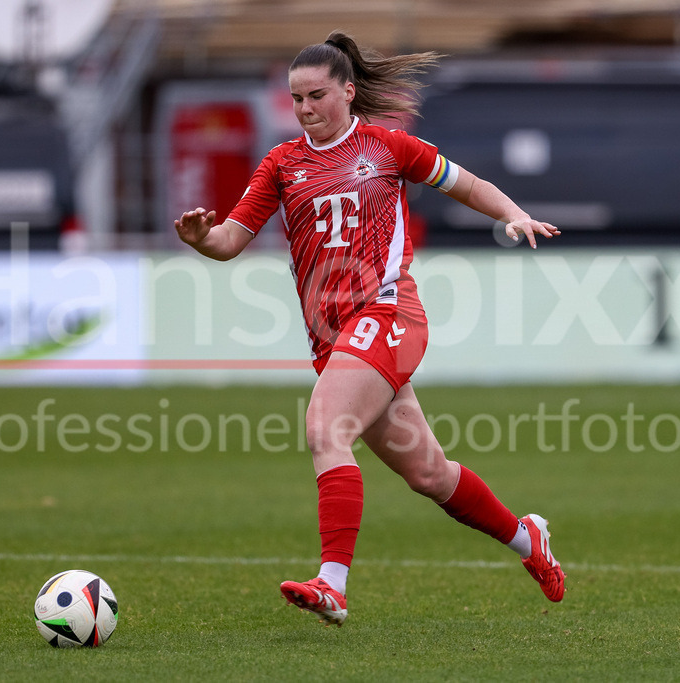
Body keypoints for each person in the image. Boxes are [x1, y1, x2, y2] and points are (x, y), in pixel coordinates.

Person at [174, 30, 564, 627]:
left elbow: (467, 184)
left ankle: (333, 584)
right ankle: (526, 538)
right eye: (297, 98)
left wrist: (514, 214)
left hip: (388, 315)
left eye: (317, 95)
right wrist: (202, 240)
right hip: (335, 341)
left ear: (348, 92)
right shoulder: (282, 163)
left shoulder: (387, 147)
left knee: (325, 427)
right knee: (430, 474)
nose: (306, 108)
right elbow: (230, 240)